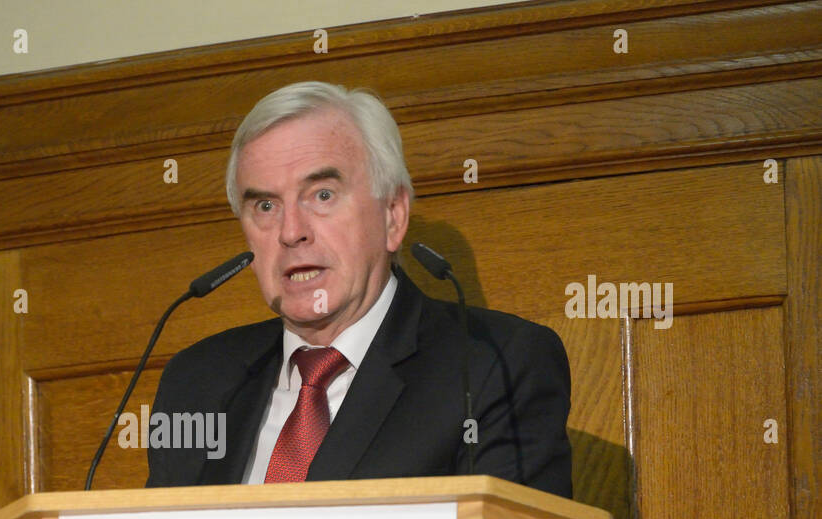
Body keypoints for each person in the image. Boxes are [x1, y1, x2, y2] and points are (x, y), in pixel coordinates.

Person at [145, 81, 572, 497]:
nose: (291, 232)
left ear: (392, 217)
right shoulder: (197, 381)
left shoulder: (494, 365)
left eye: (323, 194)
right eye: (266, 206)